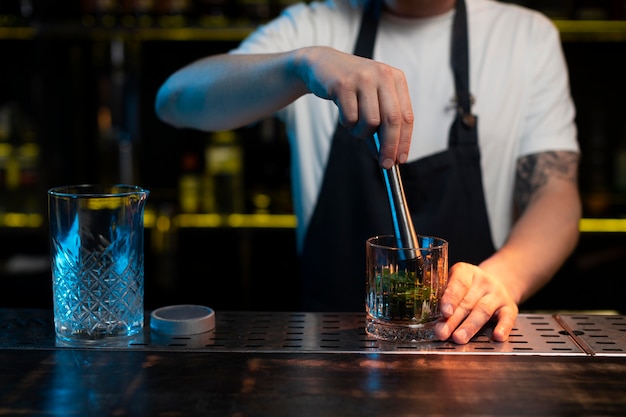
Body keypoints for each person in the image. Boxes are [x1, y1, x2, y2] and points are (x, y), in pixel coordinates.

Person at [154, 0, 582, 344]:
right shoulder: (314, 24)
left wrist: (504, 276)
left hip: (469, 350)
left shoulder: (526, 37)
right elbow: (174, 101)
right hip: (324, 360)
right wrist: (302, 65)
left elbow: (556, 195)